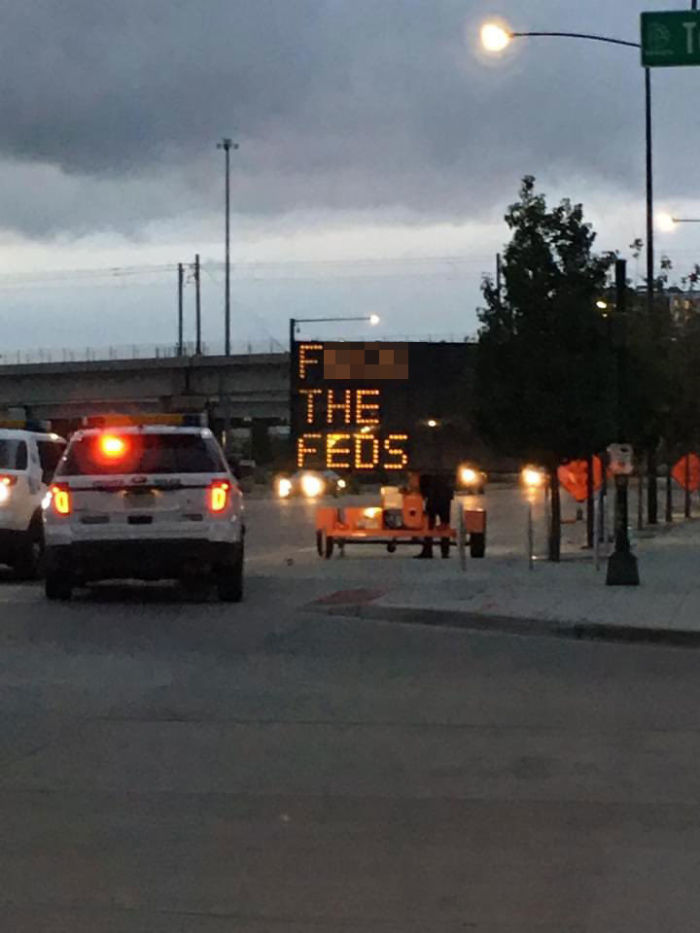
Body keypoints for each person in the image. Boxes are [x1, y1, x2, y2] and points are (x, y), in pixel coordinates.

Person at [415, 471, 454, 559]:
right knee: (444, 526)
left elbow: (423, 489)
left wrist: (424, 494)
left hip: (433, 501)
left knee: (429, 526)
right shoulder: (446, 472)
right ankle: (445, 552)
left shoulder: (425, 472)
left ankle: (428, 550)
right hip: (445, 501)